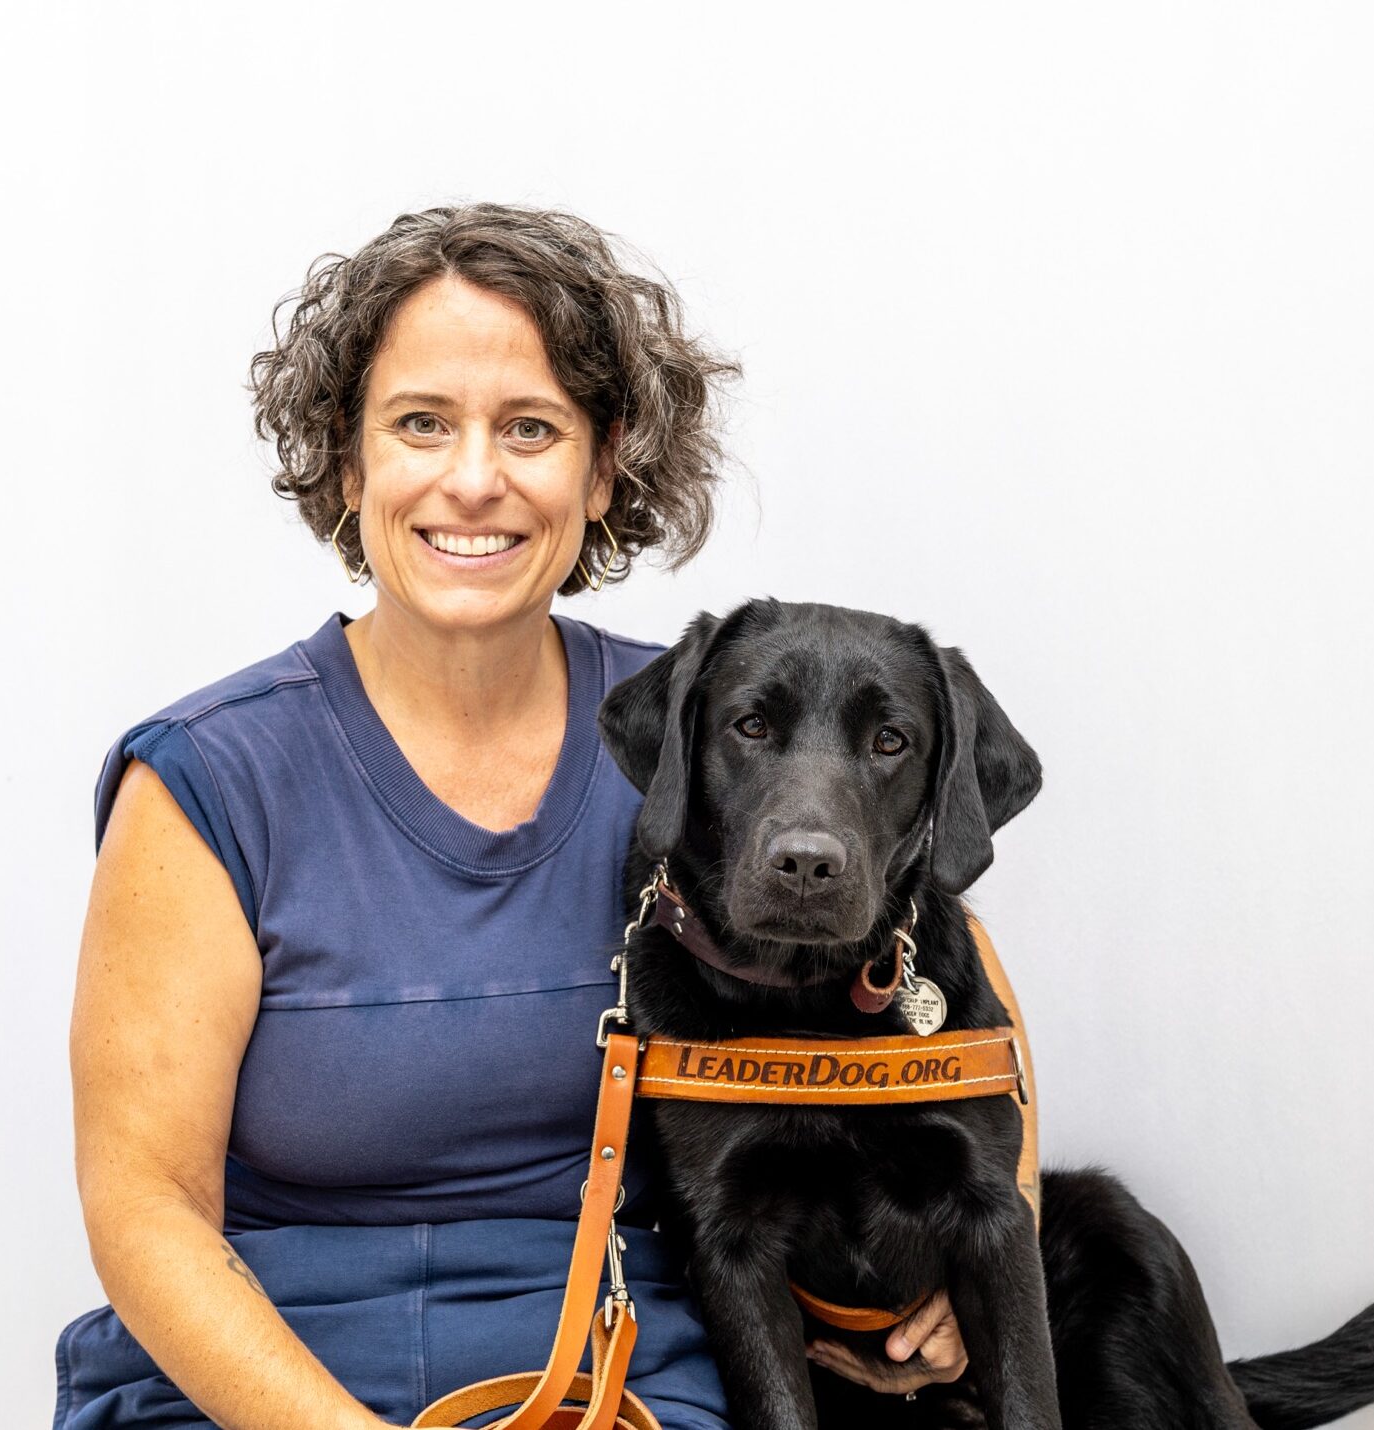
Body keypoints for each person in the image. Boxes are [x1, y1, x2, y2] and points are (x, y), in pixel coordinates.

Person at [55, 200, 1029, 1430]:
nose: (474, 479)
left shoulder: (709, 727)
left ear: (604, 465)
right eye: (421, 423)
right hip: (260, 1388)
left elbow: (959, 1012)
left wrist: (972, 1277)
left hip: (626, 1377)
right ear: (348, 463)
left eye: (531, 427)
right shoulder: (211, 776)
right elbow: (145, 1209)